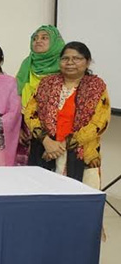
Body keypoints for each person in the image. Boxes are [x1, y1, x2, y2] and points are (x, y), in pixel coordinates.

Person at [24, 42, 110, 188]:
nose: (70, 62)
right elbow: (30, 113)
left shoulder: (96, 86)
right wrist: (46, 141)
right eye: (65, 58)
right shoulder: (46, 83)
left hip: (82, 153)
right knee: (42, 193)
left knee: (79, 197)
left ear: (88, 61)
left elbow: (99, 122)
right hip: (44, 149)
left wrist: (61, 146)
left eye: (77, 58)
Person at [15, 25, 65, 165]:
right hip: (27, 127)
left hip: (59, 135)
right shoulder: (27, 64)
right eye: (35, 38)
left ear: (55, 42)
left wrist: (51, 142)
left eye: (44, 38)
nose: (38, 41)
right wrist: (17, 128)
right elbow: (16, 96)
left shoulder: (65, 68)